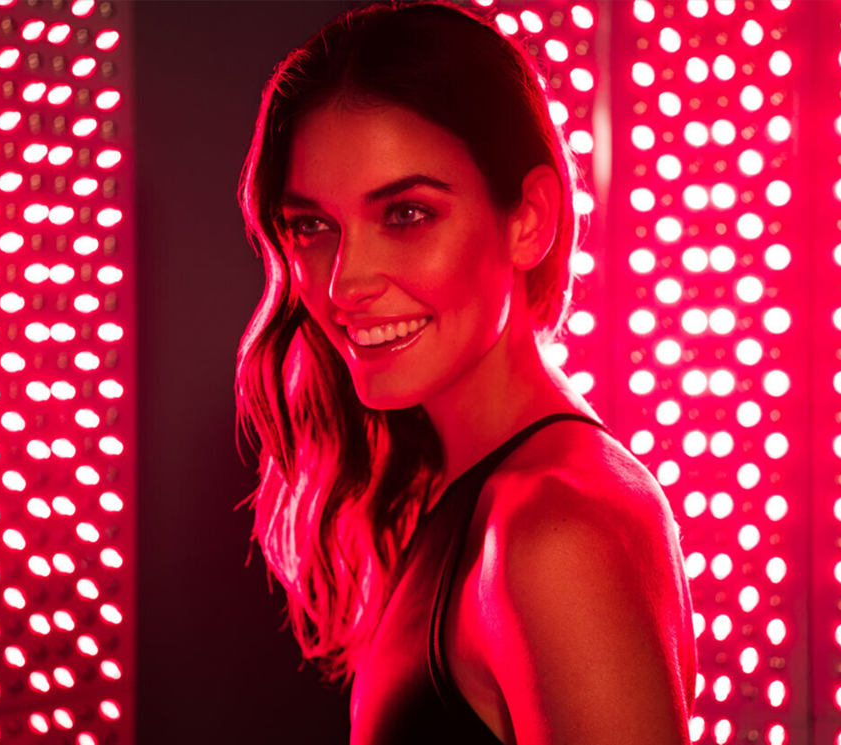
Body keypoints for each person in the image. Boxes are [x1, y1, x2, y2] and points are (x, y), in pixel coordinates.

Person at [235, 1, 697, 742]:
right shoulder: (470, 492)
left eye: (406, 214)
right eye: (313, 226)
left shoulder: (554, 530)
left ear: (529, 219)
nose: (344, 283)